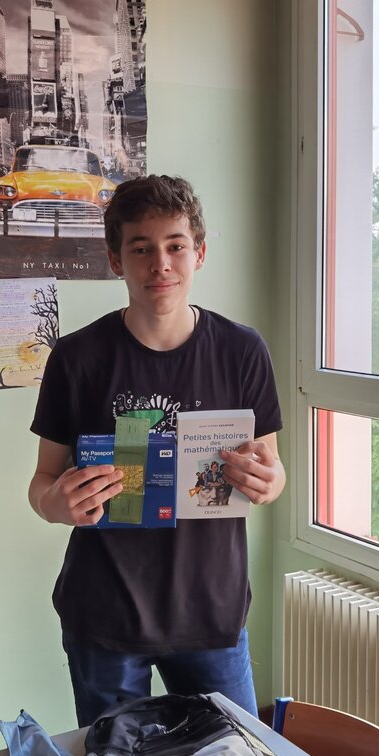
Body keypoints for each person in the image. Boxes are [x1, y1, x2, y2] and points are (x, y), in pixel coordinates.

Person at [29, 174, 285, 727]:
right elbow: (43, 483)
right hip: (105, 615)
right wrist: (57, 504)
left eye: (175, 246)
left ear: (200, 253)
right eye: (141, 249)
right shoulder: (77, 358)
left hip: (211, 611)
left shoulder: (242, 350)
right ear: (115, 261)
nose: (160, 264)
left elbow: (271, 466)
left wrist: (268, 482)